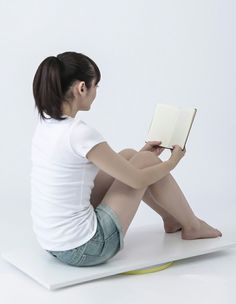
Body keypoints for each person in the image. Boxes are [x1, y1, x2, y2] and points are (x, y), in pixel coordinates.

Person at [31, 51, 222, 267]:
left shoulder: (46, 124)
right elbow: (136, 181)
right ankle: (192, 226)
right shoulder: (79, 133)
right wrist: (172, 162)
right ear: (82, 88)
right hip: (87, 247)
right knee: (144, 163)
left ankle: (171, 218)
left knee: (132, 156)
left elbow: (122, 169)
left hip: (53, 243)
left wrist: (144, 154)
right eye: (96, 86)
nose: (96, 92)